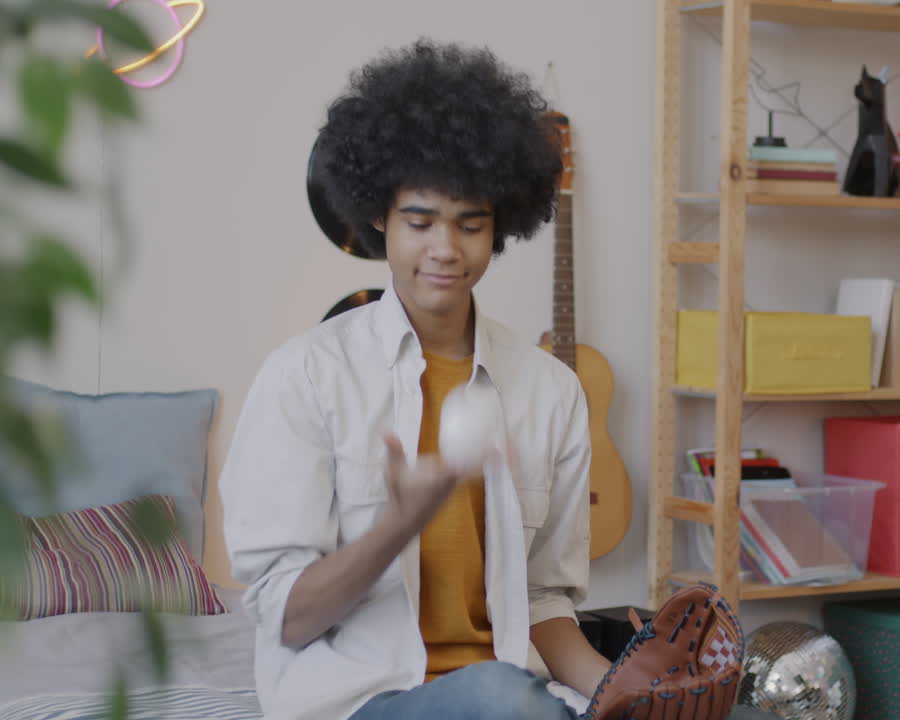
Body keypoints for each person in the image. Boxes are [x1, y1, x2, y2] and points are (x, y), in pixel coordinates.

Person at [221, 38, 774, 720]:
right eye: (420, 222)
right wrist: (399, 526)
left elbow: (544, 603)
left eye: (470, 225)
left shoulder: (549, 391)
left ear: (501, 227)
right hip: (359, 704)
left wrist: (624, 695)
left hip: (514, 697)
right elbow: (288, 619)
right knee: (505, 698)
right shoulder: (304, 378)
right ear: (377, 219)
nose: (445, 250)